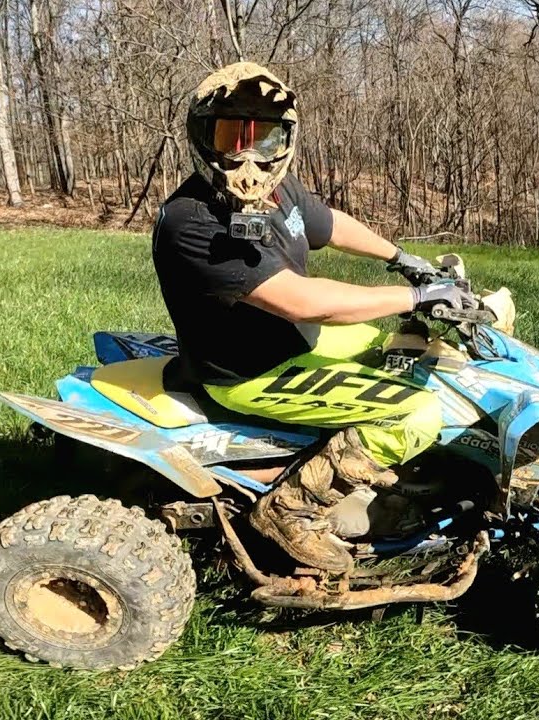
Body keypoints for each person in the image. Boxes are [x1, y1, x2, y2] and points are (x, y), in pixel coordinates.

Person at [151, 62, 476, 573]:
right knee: (414, 413)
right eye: (232, 134)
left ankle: (389, 468)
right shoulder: (193, 221)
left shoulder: (277, 191)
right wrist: (414, 298)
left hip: (289, 340)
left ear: (285, 140)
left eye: (263, 137)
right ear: (201, 136)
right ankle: (292, 511)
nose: (247, 155)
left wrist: (402, 259)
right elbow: (303, 301)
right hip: (247, 371)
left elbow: (328, 223)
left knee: (397, 350)